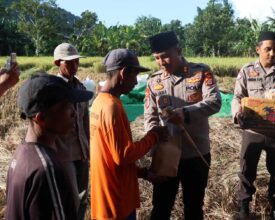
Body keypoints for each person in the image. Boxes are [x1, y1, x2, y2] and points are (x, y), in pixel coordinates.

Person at [144, 31, 222, 220]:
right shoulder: (154, 81)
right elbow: (150, 116)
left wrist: (186, 112)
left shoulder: (200, 72)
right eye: (157, 58)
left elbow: (215, 101)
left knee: (194, 207)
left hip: (196, 153)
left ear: (178, 51)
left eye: (166, 56)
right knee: (161, 206)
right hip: (166, 154)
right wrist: (153, 143)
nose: (162, 62)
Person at [89, 48, 168, 220]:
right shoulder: (112, 107)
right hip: (117, 202)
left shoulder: (98, 103)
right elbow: (123, 155)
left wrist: (143, 173)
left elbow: (111, 156)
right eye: (135, 75)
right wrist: (154, 136)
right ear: (124, 73)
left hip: (105, 197)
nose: (135, 82)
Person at [5, 73, 93, 220]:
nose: (75, 112)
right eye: (66, 106)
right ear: (41, 118)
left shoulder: (22, 153)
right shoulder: (48, 169)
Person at [231, 31, 275, 220]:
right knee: (247, 169)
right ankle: (244, 206)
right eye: (268, 49)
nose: (272, 53)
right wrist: (237, 113)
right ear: (258, 49)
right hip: (253, 130)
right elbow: (237, 96)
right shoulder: (247, 70)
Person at [52, 43, 90, 220]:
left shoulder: (81, 88)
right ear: (57, 63)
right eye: (69, 63)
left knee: (82, 199)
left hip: (82, 153)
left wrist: (89, 149)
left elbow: (85, 122)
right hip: (62, 155)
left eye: (76, 62)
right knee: (67, 200)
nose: (74, 66)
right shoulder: (52, 90)